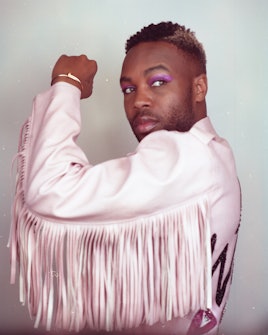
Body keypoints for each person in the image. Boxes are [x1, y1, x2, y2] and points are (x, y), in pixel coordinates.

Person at [9, 22, 241, 335]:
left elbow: (50, 190)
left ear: (199, 87)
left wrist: (66, 83)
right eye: (128, 89)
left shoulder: (187, 157)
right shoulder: (216, 153)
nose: (138, 100)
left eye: (158, 82)